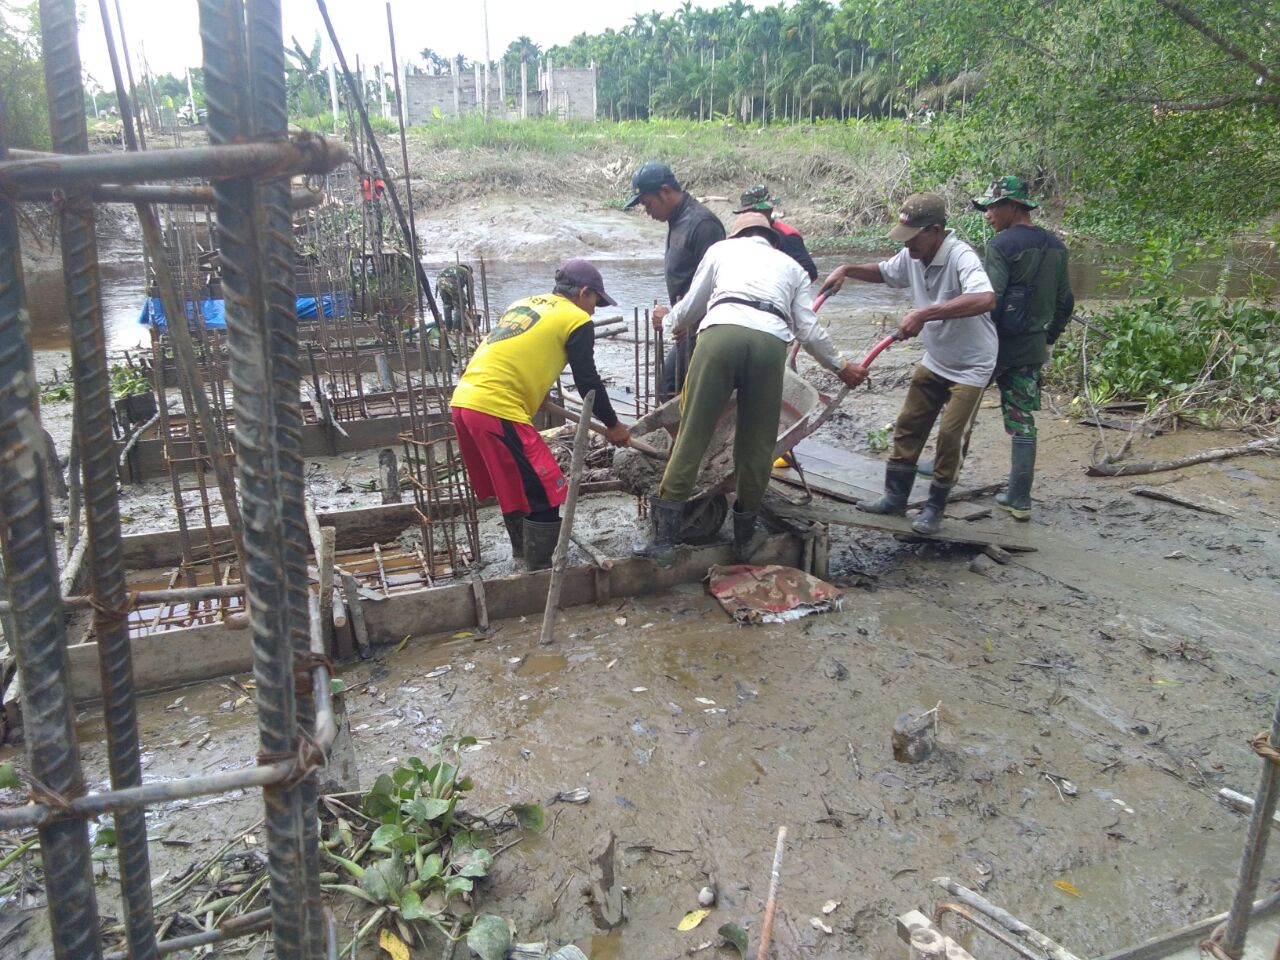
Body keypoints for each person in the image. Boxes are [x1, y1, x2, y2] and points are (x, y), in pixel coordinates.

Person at [637, 213, 868, 563]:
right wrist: (841, 366)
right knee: (758, 445)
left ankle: (664, 543)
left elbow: (691, 306)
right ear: (772, 238)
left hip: (721, 334)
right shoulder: (792, 266)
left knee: (693, 434)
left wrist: (669, 321)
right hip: (769, 343)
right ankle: (744, 539)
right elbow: (807, 330)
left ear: (737, 234)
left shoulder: (721, 250)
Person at [821, 193, 997, 535]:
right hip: (936, 358)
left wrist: (926, 313)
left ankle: (934, 507)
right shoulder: (913, 254)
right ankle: (894, 498)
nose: (908, 246)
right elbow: (886, 273)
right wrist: (847, 269)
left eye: (913, 238)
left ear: (935, 230)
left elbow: (986, 298)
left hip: (972, 364)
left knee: (948, 436)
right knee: (909, 424)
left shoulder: (961, 256)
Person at [451, 260, 630, 570]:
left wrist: (537, 391)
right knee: (546, 490)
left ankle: (524, 557)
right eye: (595, 302)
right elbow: (587, 380)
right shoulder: (575, 318)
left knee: (514, 485)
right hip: (496, 407)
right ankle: (539, 568)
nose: (594, 311)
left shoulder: (524, 304)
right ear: (583, 293)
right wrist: (613, 425)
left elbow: (516, 350)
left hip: (466, 400)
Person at [969, 175, 1074, 521]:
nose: (987, 215)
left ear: (1013, 207)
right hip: (1030, 348)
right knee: (1023, 420)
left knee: (961, 402)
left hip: (993, 346)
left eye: (992, 207)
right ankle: (1019, 498)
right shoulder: (1057, 247)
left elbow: (991, 299)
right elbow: (1065, 302)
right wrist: (1049, 338)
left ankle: (944, 471)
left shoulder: (1001, 245)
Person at [625, 161, 725, 397]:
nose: (648, 212)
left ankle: (688, 433)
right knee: (674, 387)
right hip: (687, 323)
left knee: (671, 388)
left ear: (666, 191)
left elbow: (719, 282)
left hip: (704, 326)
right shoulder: (677, 220)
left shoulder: (702, 224)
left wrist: (685, 319)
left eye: (648, 204)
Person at [733, 185, 818, 281]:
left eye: (756, 211)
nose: (752, 216)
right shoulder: (740, 234)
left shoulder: (787, 236)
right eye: (746, 212)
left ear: (770, 210)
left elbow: (809, 272)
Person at [436, 263, 474, 333]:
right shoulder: (467, 273)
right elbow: (470, 293)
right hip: (452, 283)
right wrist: (470, 307)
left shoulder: (451, 267)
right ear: (470, 271)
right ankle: (455, 330)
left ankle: (448, 329)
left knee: (447, 305)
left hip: (440, 282)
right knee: (460, 306)